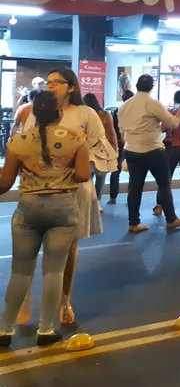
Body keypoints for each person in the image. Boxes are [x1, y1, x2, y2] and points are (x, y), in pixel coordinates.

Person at [0, 91, 91, 348]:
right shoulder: (76, 139)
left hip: (28, 209)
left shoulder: (18, 141)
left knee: (19, 273)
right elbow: (84, 174)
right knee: (53, 272)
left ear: (34, 113)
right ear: (60, 112)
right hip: (62, 209)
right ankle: (46, 329)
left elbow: (5, 182)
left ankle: (5, 330)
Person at [20, 69, 108, 328]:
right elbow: (25, 145)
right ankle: (24, 297)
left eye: (57, 82)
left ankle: (65, 300)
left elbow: (101, 149)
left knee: (69, 247)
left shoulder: (86, 114)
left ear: (71, 87)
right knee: (31, 245)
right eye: (49, 82)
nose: (51, 86)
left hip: (74, 188)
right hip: (39, 187)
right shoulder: (35, 113)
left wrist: (81, 164)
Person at [118, 74, 180, 233]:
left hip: (132, 151)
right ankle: (171, 219)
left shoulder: (124, 106)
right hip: (153, 151)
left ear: (136, 86)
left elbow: (122, 129)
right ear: (151, 87)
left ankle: (134, 223)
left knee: (134, 187)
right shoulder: (153, 103)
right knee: (164, 184)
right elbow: (173, 123)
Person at [82, 93, 117, 211]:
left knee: (88, 178)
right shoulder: (105, 114)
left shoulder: (83, 116)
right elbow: (112, 133)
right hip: (102, 148)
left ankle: (87, 202)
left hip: (87, 149)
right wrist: (115, 149)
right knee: (101, 178)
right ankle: (97, 202)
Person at [107, 90, 131, 204]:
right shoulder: (135, 112)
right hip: (132, 144)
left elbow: (113, 129)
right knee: (134, 172)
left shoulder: (117, 111)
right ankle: (131, 196)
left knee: (115, 171)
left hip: (119, 144)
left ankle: (113, 197)